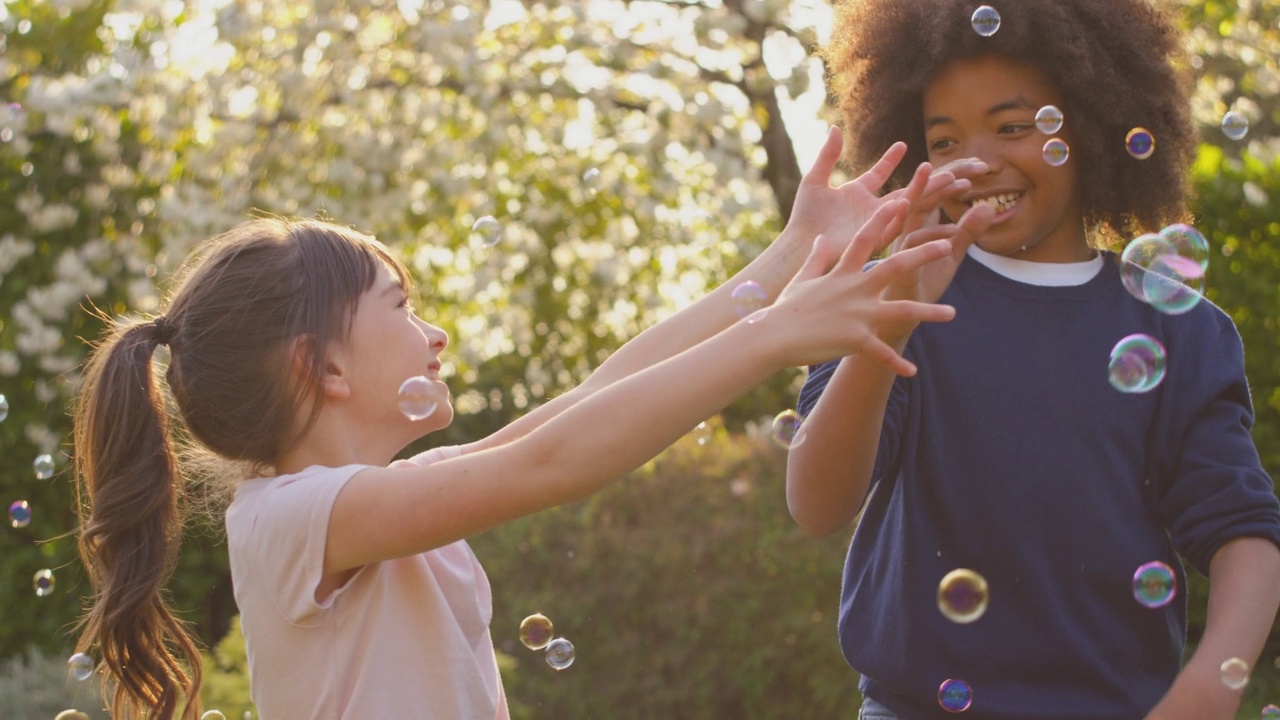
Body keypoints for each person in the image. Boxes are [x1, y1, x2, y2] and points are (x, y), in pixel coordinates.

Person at [69, 125, 992, 719]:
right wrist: (773, 336)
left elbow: (592, 400)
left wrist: (793, 253)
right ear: (324, 366)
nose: (433, 334)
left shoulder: (375, 503)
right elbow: (558, 458)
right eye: (401, 306)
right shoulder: (293, 519)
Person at [787, 1, 1280, 719]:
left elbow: (1243, 528)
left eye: (1014, 127)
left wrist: (1212, 684)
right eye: (945, 140)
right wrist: (887, 327)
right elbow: (816, 503)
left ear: (1093, 121)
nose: (978, 161)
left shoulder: (1183, 332)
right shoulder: (885, 301)